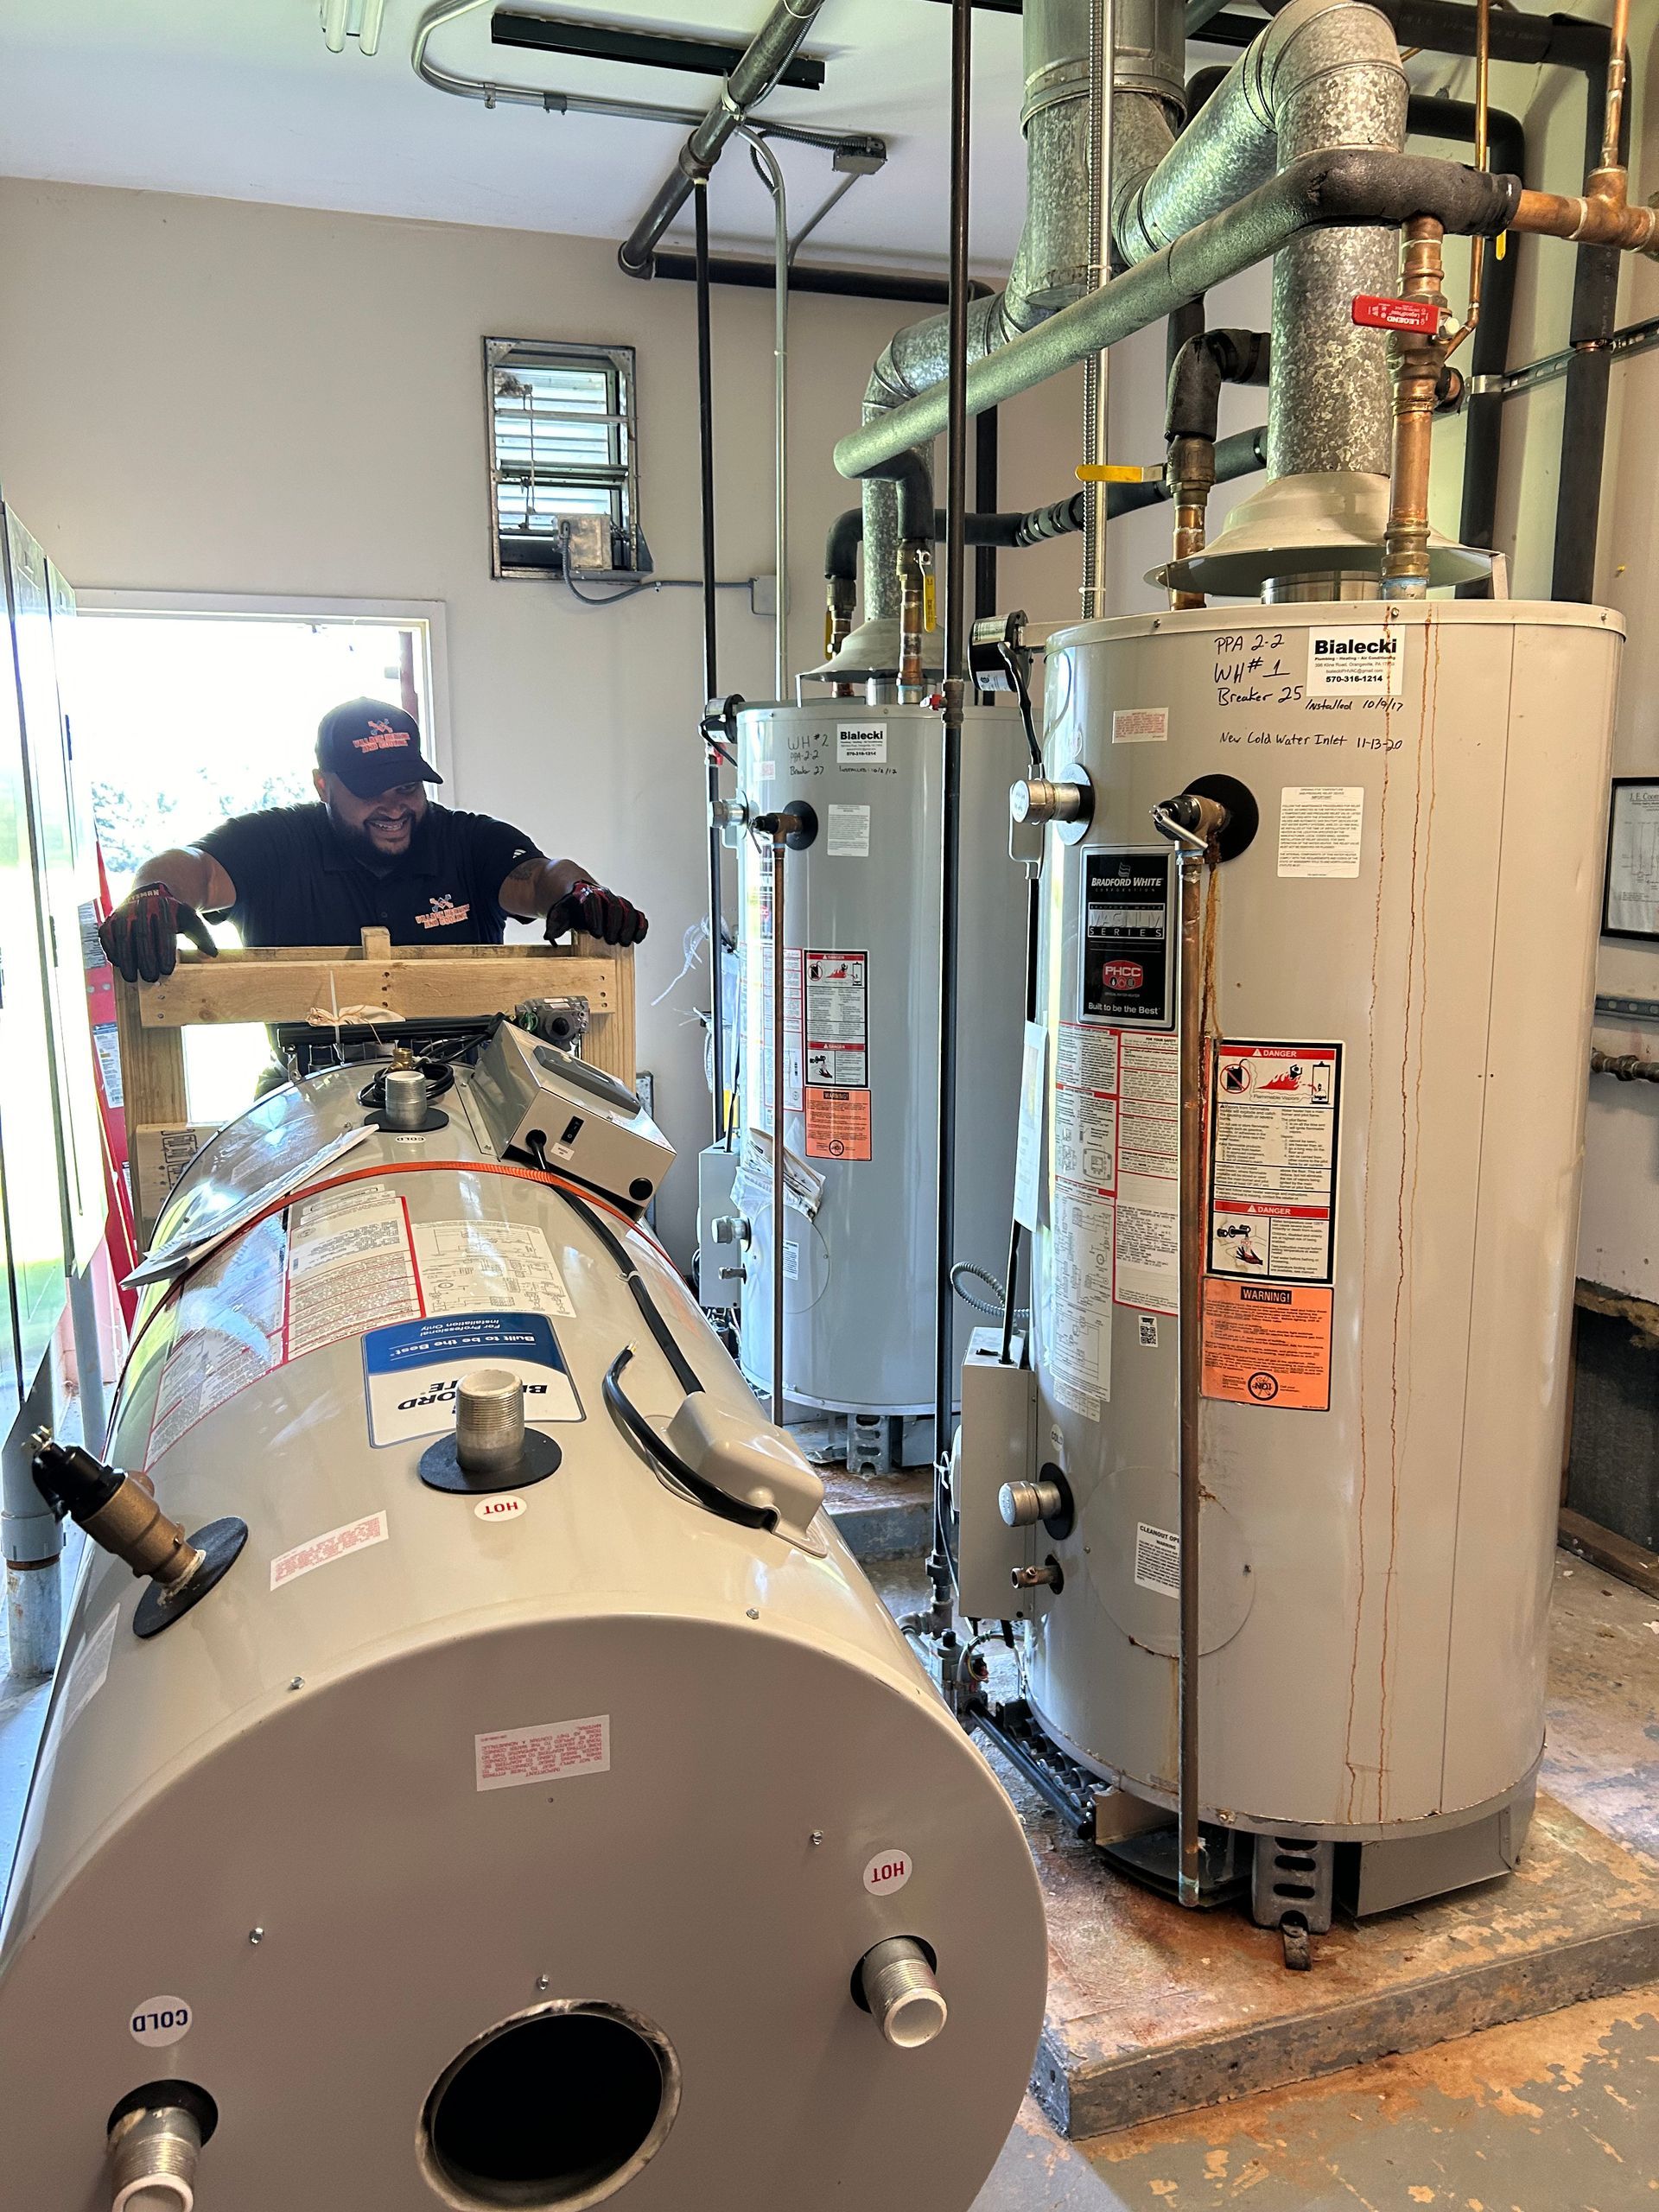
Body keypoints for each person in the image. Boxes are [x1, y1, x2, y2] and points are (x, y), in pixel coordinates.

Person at [99, 697, 648, 982]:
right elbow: (194, 867)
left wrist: (580, 891)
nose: (394, 808)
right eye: (369, 791)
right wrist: (152, 893)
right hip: (308, 1089)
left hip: (470, 1084)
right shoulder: (276, 842)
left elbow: (540, 878)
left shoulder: (467, 841)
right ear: (323, 785)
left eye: (407, 788)